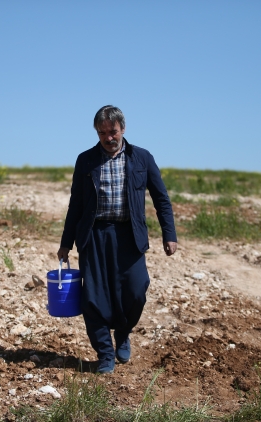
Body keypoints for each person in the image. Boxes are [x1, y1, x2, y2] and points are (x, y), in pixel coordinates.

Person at [57, 105, 177, 374]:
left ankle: (123, 334)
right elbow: (75, 204)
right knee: (93, 298)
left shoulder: (142, 158)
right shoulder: (85, 160)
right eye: (102, 133)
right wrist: (66, 243)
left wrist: (169, 234)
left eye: (113, 132)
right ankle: (105, 354)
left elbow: (161, 199)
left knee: (136, 291)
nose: (108, 138)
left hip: (129, 235)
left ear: (122, 129)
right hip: (95, 236)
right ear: (97, 133)